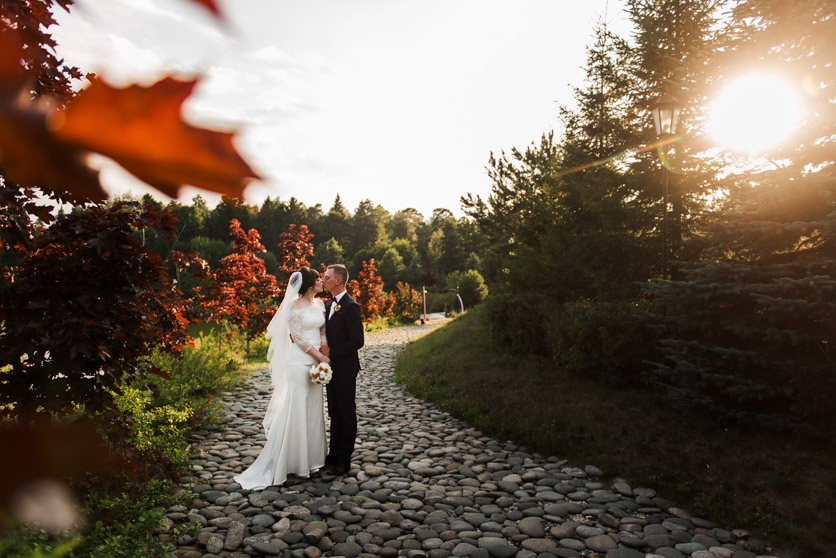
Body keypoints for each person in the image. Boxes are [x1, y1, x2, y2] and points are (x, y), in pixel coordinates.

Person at [234, 267, 330, 490]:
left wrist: (324, 347)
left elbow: (323, 328)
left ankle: (313, 460)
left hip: (319, 360)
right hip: (299, 362)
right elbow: (297, 337)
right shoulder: (294, 307)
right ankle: (293, 462)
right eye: (317, 279)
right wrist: (319, 356)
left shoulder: (319, 304)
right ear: (308, 285)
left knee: (314, 408)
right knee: (297, 407)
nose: (321, 281)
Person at [322, 264, 364, 475]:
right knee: (334, 412)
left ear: (338, 281)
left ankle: (344, 460)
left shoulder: (350, 306)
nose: (323, 280)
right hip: (330, 369)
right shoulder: (329, 303)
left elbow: (358, 341)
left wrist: (332, 352)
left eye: (327, 277)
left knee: (346, 413)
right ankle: (333, 454)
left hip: (346, 368)